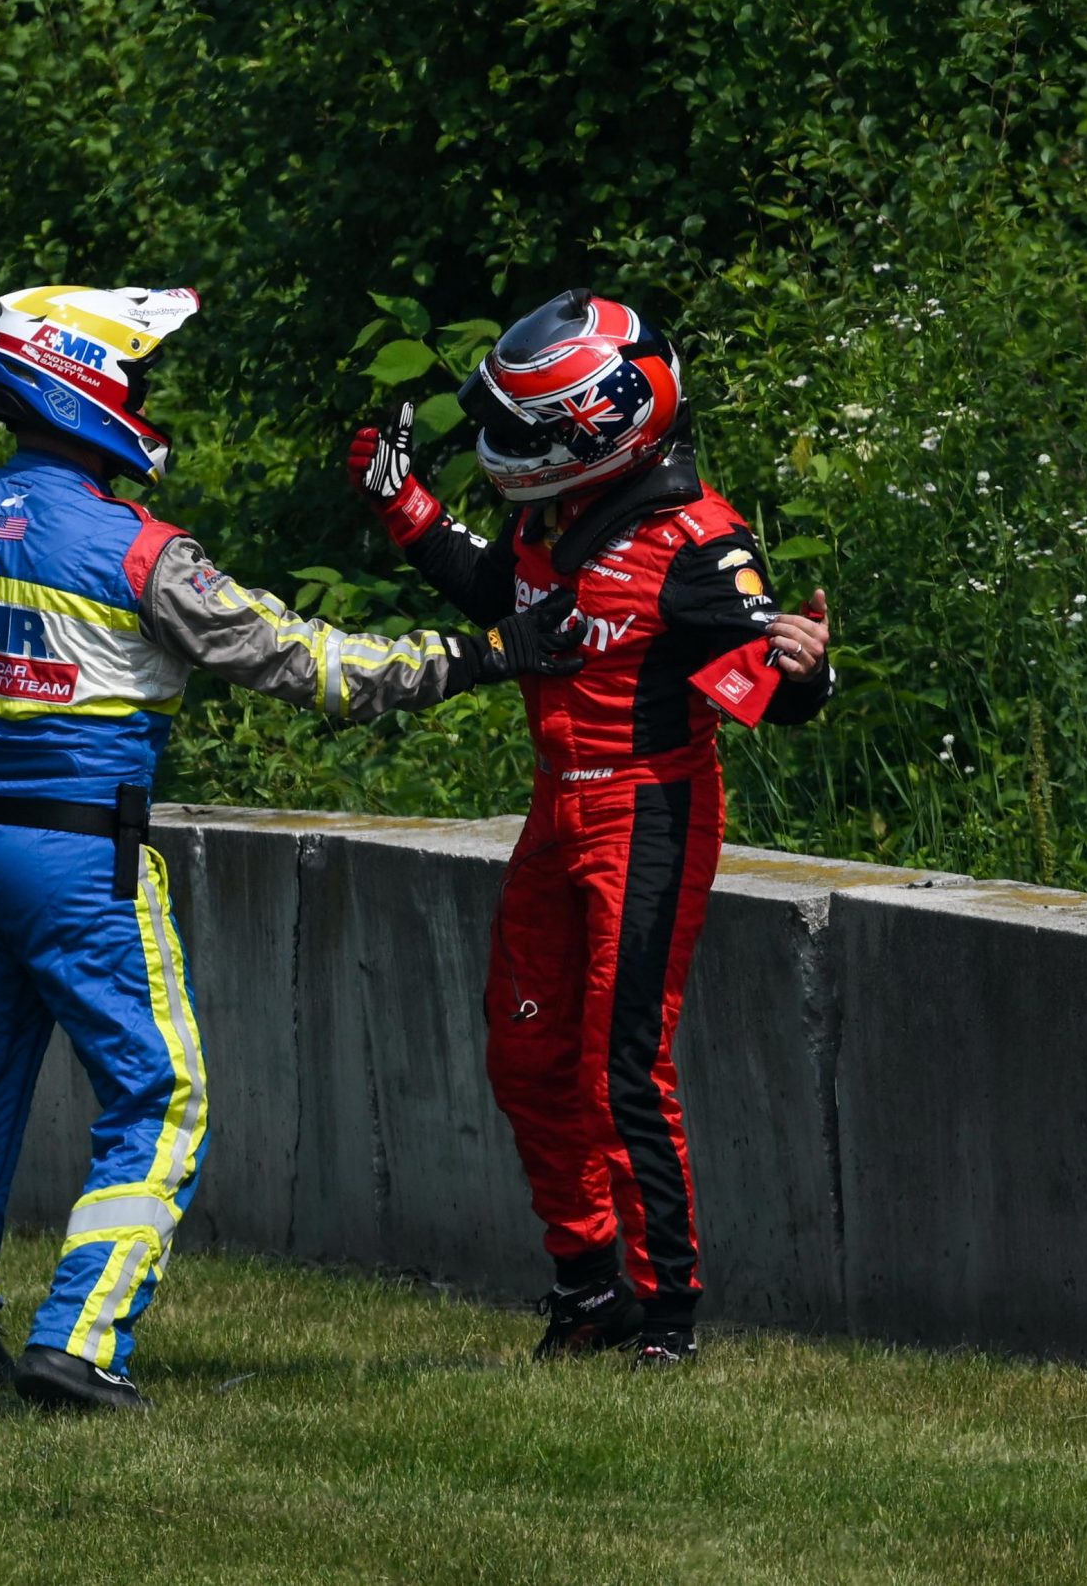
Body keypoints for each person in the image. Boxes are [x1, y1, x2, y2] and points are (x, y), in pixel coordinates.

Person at [0, 284, 588, 1418]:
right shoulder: (139, 550)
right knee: (161, 1096)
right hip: (80, 861)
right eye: (131, 379)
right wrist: (486, 653)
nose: (140, 400)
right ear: (83, 385)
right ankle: (80, 1340)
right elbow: (308, 664)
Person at [345, 287, 834, 1370]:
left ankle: (667, 1316)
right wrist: (401, 503)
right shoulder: (548, 518)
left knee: (625, 1067)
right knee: (524, 1053)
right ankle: (585, 1288)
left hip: (647, 807)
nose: (503, 449)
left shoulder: (699, 544)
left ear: (600, 425)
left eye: (525, 433)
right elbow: (495, 592)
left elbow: (772, 684)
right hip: (552, 806)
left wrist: (807, 672)